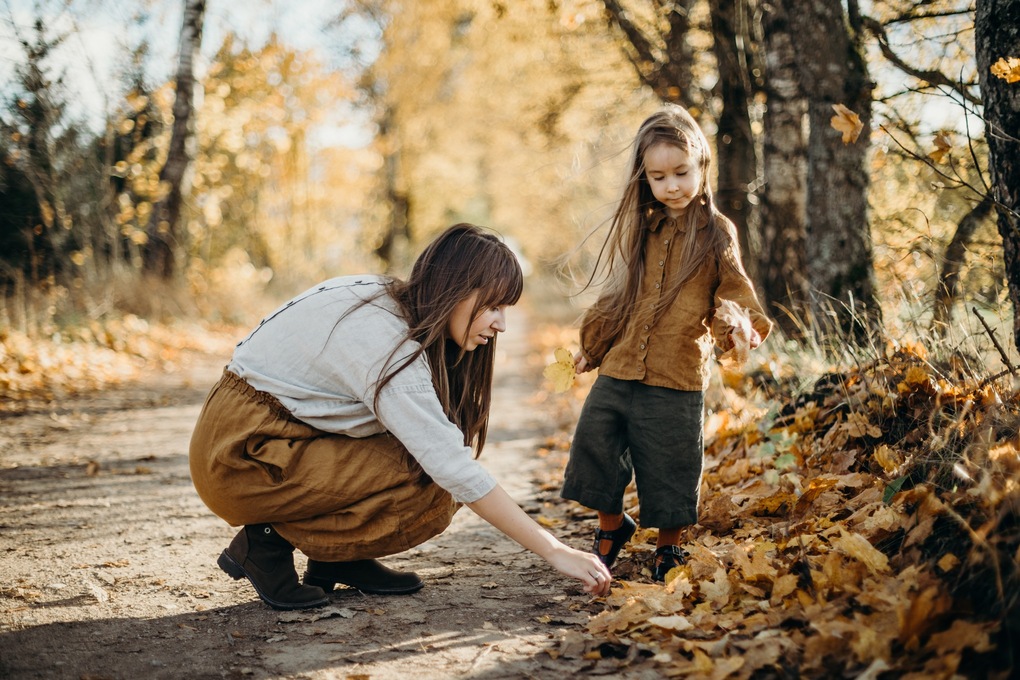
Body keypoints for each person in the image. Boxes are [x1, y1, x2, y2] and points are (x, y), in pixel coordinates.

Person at [190, 224, 612, 610]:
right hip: (240, 453)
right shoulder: (387, 341)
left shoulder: (392, 302)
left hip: (276, 436)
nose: (501, 323)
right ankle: (264, 544)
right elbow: (451, 465)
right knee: (431, 480)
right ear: (456, 289)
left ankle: (338, 560)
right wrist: (556, 550)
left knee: (426, 466)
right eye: (494, 306)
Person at [560, 105, 772, 581]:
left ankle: (668, 547)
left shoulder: (716, 232)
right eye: (658, 177)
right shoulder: (641, 228)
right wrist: (591, 348)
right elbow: (619, 295)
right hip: (619, 367)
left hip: (676, 372)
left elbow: (733, 291)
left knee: (671, 462)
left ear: (702, 166)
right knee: (596, 445)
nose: (671, 185)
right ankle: (612, 528)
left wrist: (738, 328)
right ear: (644, 179)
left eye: (681, 172)